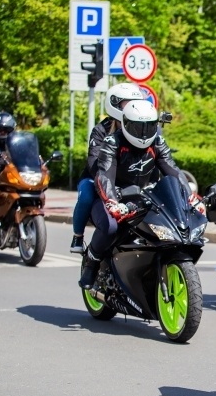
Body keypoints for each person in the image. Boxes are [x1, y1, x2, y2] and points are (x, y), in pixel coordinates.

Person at [79, 100, 190, 288]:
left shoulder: (158, 142)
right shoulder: (112, 142)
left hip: (144, 197)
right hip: (113, 198)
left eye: (149, 126)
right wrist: (112, 203)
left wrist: (190, 197)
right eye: (138, 127)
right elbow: (104, 176)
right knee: (110, 227)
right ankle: (92, 262)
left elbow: (173, 171)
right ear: (126, 123)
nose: (144, 132)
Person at [69, 83, 145, 254]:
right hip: (96, 177)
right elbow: (93, 161)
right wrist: (106, 182)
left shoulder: (141, 128)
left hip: (126, 178)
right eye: (127, 103)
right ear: (115, 105)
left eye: (135, 103)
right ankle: (77, 236)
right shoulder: (100, 130)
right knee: (86, 196)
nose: (132, 107)